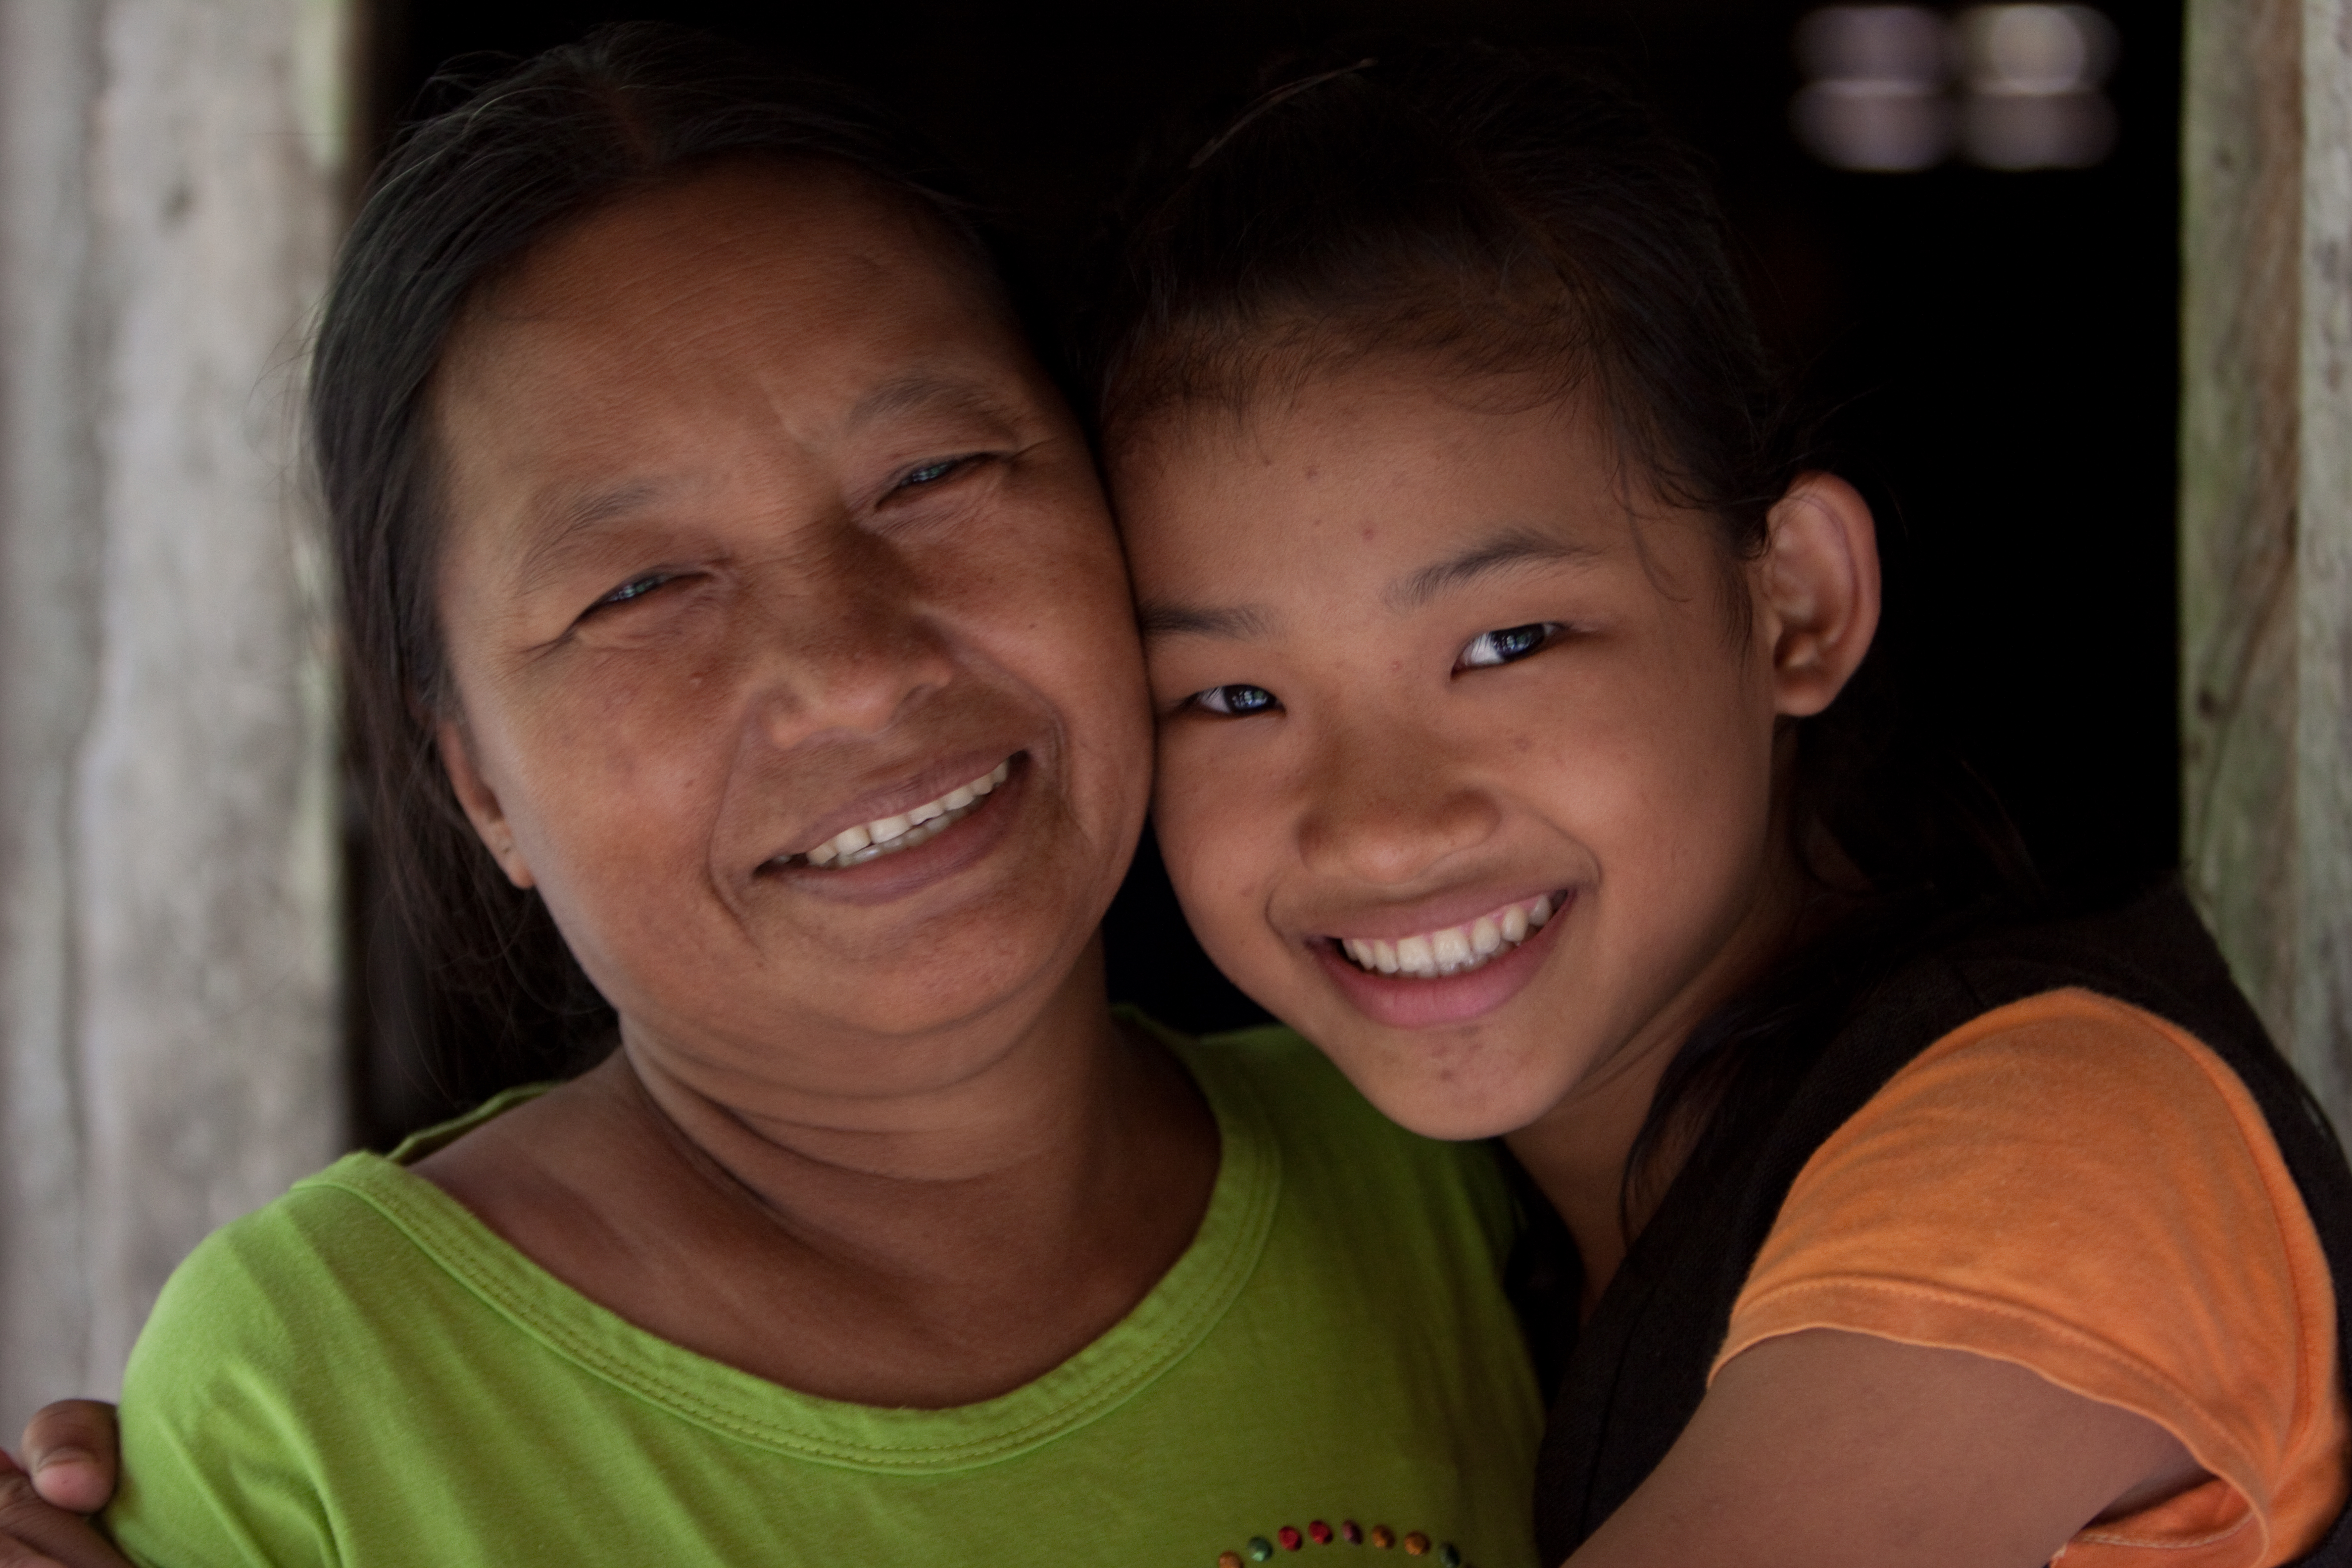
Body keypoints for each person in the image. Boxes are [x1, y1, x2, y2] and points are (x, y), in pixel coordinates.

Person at [0, 28, 1545, 1568]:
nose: (855, 669)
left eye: (934, 476)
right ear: (479, 781)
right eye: (643, 586)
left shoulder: (1438, 1176)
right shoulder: (319, 1404)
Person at [1085, 44, 2352, 1568]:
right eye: (1233, 699)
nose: (1379, 828)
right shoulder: (1447, 1236)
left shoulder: (2055, 1150)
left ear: (1797, 607)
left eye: (1506, 644)